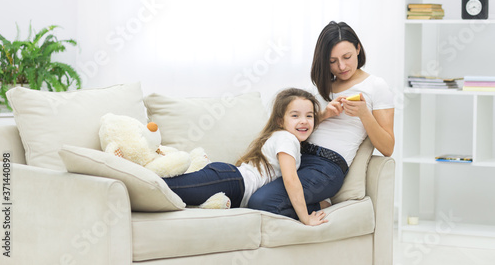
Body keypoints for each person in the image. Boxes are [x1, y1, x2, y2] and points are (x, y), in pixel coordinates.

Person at [248, 21, 395, 218]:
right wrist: (324, 115)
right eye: (332, 61)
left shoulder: (376, 86)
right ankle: (316, 205)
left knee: (261, 201)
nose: (341, 66)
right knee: (248, 194)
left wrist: (364, 114)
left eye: (347, 57)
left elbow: (387, 147)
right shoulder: (319, 88)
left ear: (358, 49)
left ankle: (320, 206)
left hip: (327, 166)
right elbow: (297, 127)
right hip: (297, 157)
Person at [162, 87, 328, 226]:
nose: (304, 121)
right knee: (168, 187)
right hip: (232, 182)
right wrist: (305, 218)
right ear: (279, 121)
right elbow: (291, 180)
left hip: (233, 187)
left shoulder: (286, 139)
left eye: (309, 116)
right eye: (295, 115)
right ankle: (138, 180)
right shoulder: (287, 138)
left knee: (171, 191)